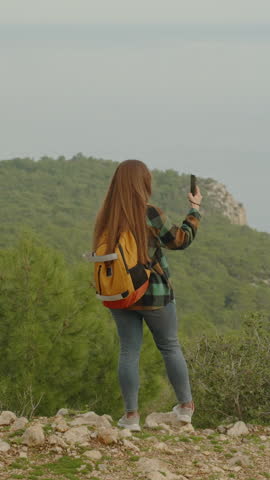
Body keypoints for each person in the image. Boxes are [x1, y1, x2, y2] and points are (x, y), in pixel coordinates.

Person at [92, 159, 202, 431]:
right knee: (169, 346)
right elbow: (180, 240)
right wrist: (194, 209)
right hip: (154, 294)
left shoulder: (106, 217)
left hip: (120, 294)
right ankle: (185, 408)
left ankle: (131, 417)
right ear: (144, 183)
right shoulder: (149, 212)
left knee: (128, 351)